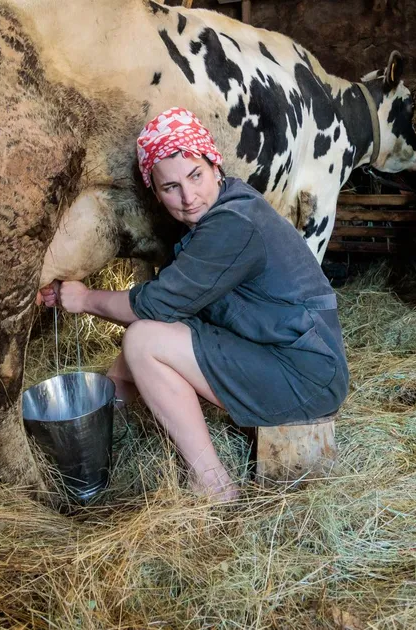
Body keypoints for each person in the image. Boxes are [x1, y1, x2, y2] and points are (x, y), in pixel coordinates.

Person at [38, 107, 348, 501]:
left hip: (304, 376)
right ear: (154, 191)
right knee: (144, 340)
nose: (188, 197)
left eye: (195, 176)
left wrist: (83, 299)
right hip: (286, 353)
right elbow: (182, 305)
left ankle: (214, 484)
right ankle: (102, 422)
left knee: (144, 341)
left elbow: (155, 306)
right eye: (170, 187)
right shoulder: (225, 209)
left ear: (214, 165)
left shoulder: (234, 223)